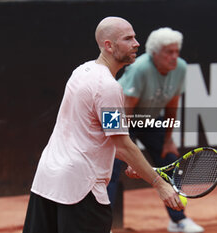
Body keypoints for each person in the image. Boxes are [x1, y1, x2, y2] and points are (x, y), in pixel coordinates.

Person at [22, 17, 185, 233]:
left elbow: (96, 136)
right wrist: (159, 184)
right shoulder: (109, 88)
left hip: (48, 180)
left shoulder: (82, 71)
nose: (136, 43)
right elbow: (122, 144)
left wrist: (136, 164)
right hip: (81, 188)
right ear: (109, 45)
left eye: (135, 37)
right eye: (128, 38)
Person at [107, 27, 204, 233]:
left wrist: (168, 139)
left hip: (149, 118)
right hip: (122, 115)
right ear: (154, 53)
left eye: (177, 51)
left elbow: (172, 104)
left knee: (169, 162)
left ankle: (178, 221)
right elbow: (127, 108)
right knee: (111, 169)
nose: (174, 57)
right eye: (169, 52)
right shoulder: (140, 68)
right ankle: (101, 226)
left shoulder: (181, 68)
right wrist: (128, 151)